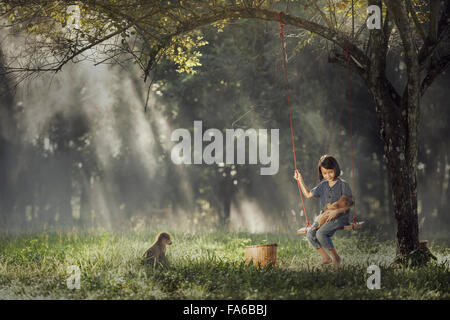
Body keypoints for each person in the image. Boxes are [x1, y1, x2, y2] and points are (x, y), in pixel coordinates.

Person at [293, 154, 352, 268]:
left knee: (321, 233)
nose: (328, 175)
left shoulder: (343, 185)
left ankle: (336, 258)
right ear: (321, 173)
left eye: (330, 172)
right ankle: (326, 257)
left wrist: (336, 212)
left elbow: (349, 204)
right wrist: (300, 180)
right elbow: (308, 194)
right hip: (325, 217)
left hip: (340, 217)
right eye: (325, 173)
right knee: (310, 234)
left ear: (336, 169)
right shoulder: (323, 185)